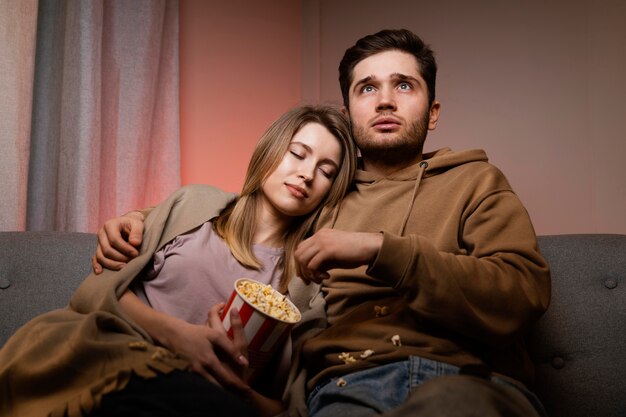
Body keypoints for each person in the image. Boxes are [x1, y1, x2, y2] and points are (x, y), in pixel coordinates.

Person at [92, 29, 551, 417]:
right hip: (346, 389)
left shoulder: (477, 182)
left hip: (466, 379)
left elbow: (523, 293)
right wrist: (139, 219)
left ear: (433, 112)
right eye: (367, 88)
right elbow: (244, 214)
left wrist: (378, 249)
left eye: (404, 86)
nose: (386, 100)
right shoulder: (320, 202)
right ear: (349, 115)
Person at [0, 105, 357, 417]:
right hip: (102, 352)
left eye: (326, 170)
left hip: (200, 396)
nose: (307, 174)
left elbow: (290, 406)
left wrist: (239, 389)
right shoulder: (194, 205)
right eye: (298, 153)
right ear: (271, 149)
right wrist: (179, 336)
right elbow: (94, 292)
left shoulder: (306, 286)